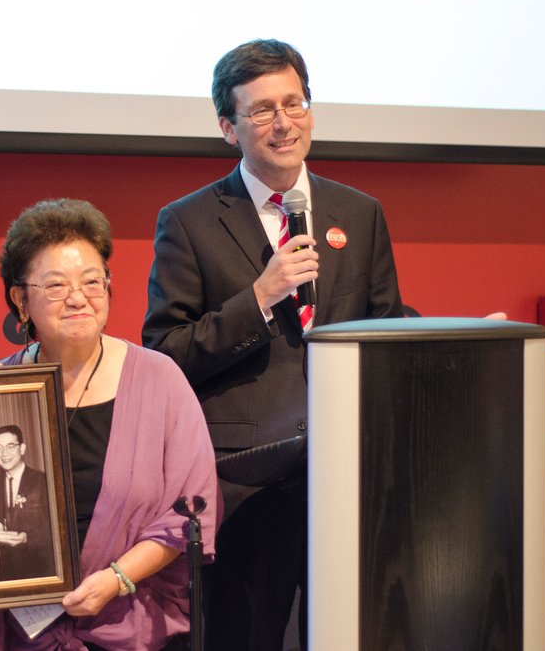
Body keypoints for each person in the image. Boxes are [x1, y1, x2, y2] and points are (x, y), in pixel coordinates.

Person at [142, 40, 404, 651]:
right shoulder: (189, 221)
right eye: (261, 110)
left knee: (352, 633)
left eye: (294, 103)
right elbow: (166, 351)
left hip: (347, 475)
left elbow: (383, 329)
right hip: (246, 483)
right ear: (228, 128)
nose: (283, 122)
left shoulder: (359, 213)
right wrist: (257, 298)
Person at [0, 199, 219, 651]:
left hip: (133, 625)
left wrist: (118, 578)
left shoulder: (158, 378)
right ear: (19, 299)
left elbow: (191, 508)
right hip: (22, 633)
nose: (78, 297)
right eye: (55, 285)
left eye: (92, 281)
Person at [0, 425, 55, 581]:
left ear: (22, 449)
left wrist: (27, 537)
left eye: (10, 447)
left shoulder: (44, 481)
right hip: (7, 572)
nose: (4, 454)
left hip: (40, 569)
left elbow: (57, 529)